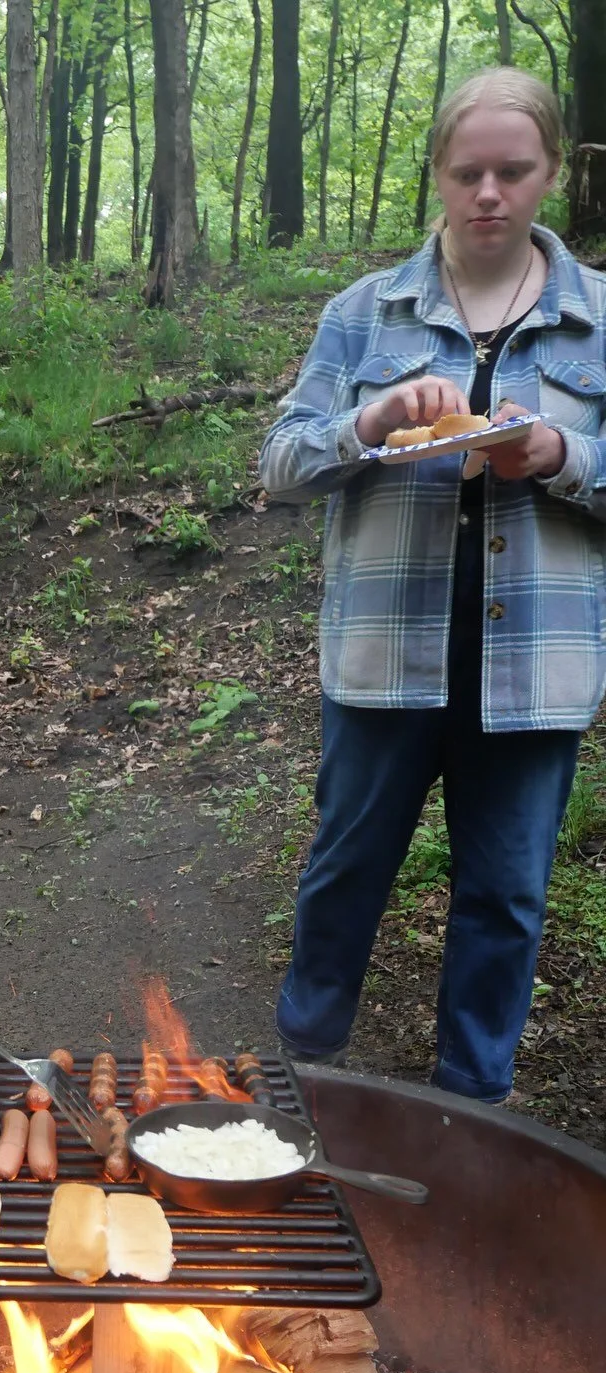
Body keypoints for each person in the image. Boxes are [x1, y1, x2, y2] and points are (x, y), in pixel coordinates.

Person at [260, 67, 606, 1104]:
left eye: (513, 170)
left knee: (503, 896)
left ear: (552, 172)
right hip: (381, 661)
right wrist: (368, 426)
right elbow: (279, 465)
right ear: (438, 176)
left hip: (534, 671)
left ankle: (470, 1112)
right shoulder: (367, 314)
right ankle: (299, 1082)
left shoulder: (599, 319)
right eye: (468, 172)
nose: (489, 193)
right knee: (343, 875)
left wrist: (555, 452)